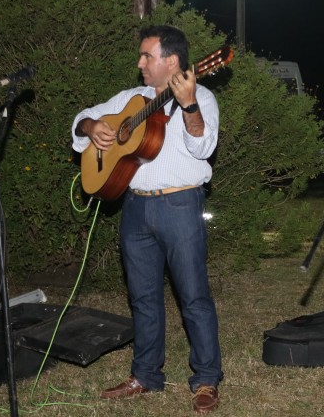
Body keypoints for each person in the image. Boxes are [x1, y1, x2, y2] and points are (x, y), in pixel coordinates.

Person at [71, 25, 223, 414]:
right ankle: (145, 375)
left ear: (171, 61)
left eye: (147, 56)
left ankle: (205, 379)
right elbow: (81, 120)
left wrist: (188, 106)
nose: (139, 63)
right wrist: (93, 128)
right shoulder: (130, 98)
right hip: (135, 207)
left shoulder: (201, 96)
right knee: (142, 299)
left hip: (180, 206)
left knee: (194, 298)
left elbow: (203, 147)